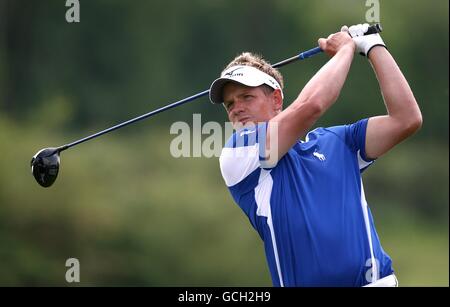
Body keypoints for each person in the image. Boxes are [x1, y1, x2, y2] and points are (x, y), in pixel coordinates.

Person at [208, 24, 422, 287]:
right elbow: (312, 105)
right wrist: (346, 49)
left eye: (246, 97)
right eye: (230, 104)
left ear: (276, 99)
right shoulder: (239, 152)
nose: (237, 109)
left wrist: (374, 47)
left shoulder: (338, 141)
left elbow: (406, 119)